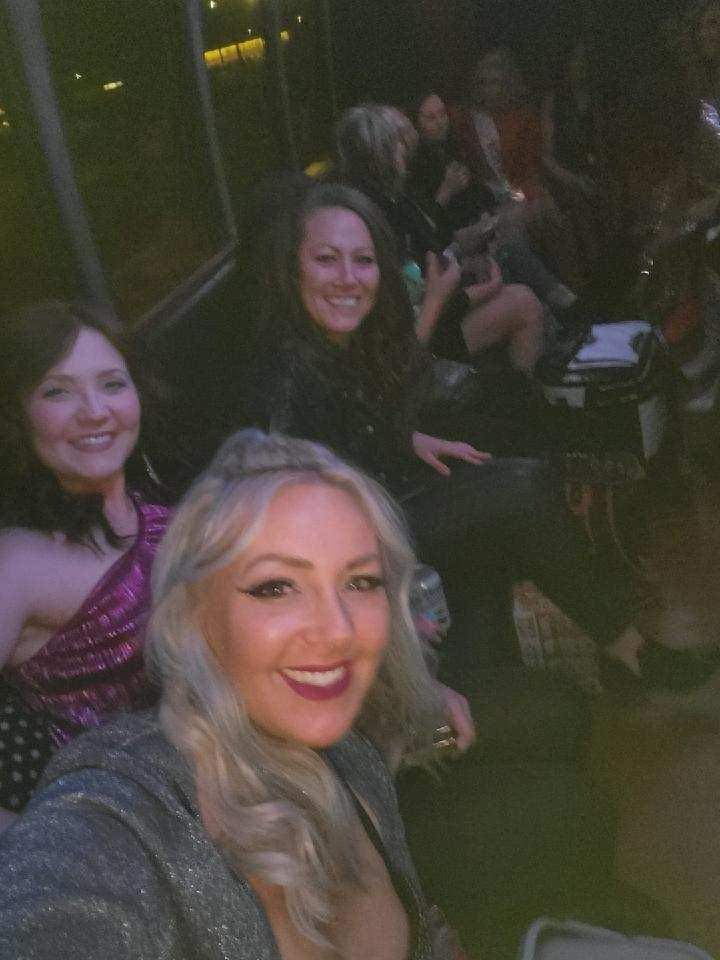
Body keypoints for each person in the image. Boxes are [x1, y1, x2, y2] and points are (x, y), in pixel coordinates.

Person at [0, 428, 464, 960]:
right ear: (198, 616)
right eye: (275, 587)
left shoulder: (358, 763)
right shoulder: (120, 814)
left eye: (360, 582)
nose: (339, 631)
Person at [245, 178, 717, 691]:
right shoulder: (284, 374)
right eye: (326, 260)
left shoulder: (334, 343)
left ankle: (599, 653)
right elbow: (301, 513)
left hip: (380, 497)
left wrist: (408, 441)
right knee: (521, 489)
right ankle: (630, 652)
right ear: (292, 267)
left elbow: (350, 426)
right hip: (362, 543)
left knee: (505, 465)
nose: (348, 278)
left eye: (363, 261)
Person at [0, 300, 171, 825]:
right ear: (17, 414)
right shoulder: (20, 562)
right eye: (58, 392)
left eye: (112, 384)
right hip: (114, 830)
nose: (95, 411)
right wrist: (33, 845)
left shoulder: (166, 516)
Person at [335, 103, 547, 373]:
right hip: (421, 335)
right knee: (524, 303)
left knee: (513, 267)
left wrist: (462, 260)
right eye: (397, 142)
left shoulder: (393, 198)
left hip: (437, 305)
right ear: (378, 155)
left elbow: (429, 257)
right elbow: (416, 301)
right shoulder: (376, 217)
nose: (405, 148)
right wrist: (478, 292)